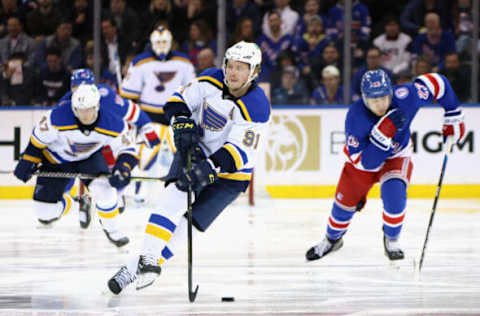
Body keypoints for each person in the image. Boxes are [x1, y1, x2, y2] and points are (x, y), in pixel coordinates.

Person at [107, 41, 271, 294]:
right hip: (196, 150)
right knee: (174, 197)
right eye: (230, 66)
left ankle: (133, 269)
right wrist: (182, 122)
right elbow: (176, 101)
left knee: (188, 226)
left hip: (231, 174)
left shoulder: (258, 106)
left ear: (254, 73)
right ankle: (148, 261)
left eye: (240, 68)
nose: (232, 72)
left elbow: (239, 152)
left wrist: (210, 167)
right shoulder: (210, 80)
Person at [305, 69, 465, 262]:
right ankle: (332, 240)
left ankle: (391, 239)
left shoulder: (406, 97)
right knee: (343, 206)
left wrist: (453, 113)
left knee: (395, 196)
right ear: (364, 99)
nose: (380, 104)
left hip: (397, 155)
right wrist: (383, 132)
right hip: (361, 163)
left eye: (383, 98)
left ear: (391, 91)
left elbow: (437, 82)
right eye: (373, 100)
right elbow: (368, 163)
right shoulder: (356, 117)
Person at [13, 84, 139, 248]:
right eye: (80, 110)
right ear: (73, 107)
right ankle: (76, 204)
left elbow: (128, 150)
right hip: (56, 160)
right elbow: (36, 142)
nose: (85, 115)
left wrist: (124, 168)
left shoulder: (113, 123)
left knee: (106, 191)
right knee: (44, 214)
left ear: (97, 106)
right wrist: (28, 160)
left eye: (89, 109)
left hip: (89, 158)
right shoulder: (56, 117)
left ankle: (113, 230)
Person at [58, 68, 160, 226]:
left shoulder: (105, 96)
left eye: (86, 86)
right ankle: (83, 198)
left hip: (108, 143)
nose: (82, 93)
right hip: (82, 146)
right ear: (71, 89)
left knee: (115, 181)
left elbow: (132, 111)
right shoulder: (65, 103)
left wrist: (147, 128)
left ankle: (115, 194)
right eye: (77, 88)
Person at [120, 26, 196, 204]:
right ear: (151, 43)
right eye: (158, 42)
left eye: (164, 42)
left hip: (175, 115)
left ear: (170, 43)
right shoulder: (140, 62)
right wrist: (132, 120)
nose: (161, 46)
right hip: (149, 117)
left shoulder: (183, 62)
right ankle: (137, 193)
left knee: (183, 155)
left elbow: (192, 91)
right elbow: (129, 95)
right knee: (144, 157)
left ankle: (182, 192)